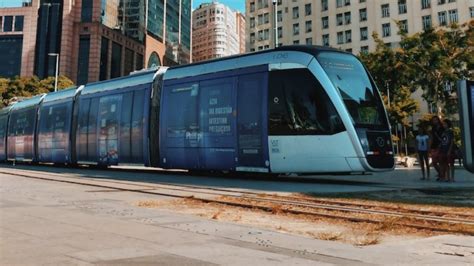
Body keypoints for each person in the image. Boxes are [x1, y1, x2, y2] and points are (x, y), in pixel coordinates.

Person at [429, 116, 444, 180]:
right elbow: (432, 137)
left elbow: (444, 137)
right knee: (434, 162)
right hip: (434, 146)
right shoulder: (433, 128)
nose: (435, 121)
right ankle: (440, 174)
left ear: (438, 120)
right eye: (433, 120)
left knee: (441, 161)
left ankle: (441, 175)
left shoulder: (442, 128)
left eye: (436, 120)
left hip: (440, 145)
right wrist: (429, 146)